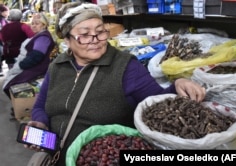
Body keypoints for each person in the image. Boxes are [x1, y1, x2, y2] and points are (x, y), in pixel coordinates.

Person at [26, 2, 206, 165]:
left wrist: (178, 84)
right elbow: (40, 106)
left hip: (100, 159)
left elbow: (158, 105)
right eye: (85, 35)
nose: (95, 40)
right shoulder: (57, 66)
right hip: (57, 156)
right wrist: (40, 124)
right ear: (67, 40)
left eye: (100, 31)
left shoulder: (126, 67)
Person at [2, 12, 55, 99]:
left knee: (10, 84)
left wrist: (21, 65)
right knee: (9, 82)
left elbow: (36, 56)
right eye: (32, 23)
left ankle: (21, 107)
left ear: (44, 25)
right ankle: (18, 106)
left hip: (36, 69)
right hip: (33, 66)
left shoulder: (43, 37)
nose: (33, 26)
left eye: (37, 23)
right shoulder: (39, 35)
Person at [0, 4, 9, 76]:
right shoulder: (2, 20)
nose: (8, 13)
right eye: (6, 11)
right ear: (1, 12)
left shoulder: (3, 19)